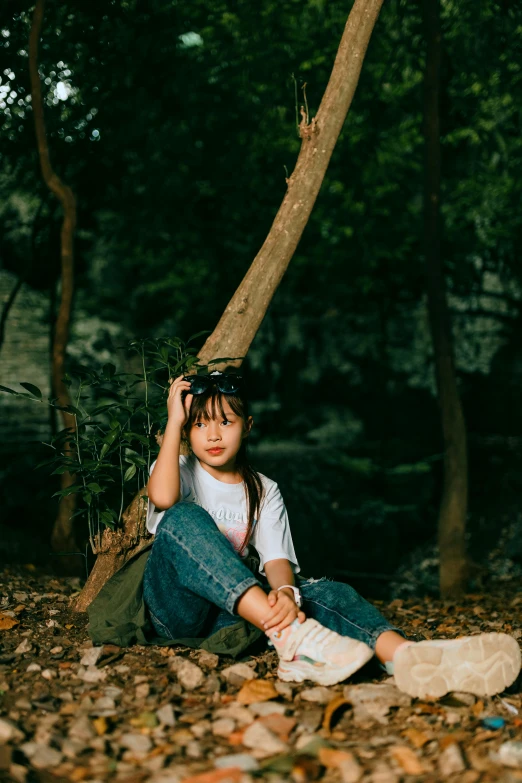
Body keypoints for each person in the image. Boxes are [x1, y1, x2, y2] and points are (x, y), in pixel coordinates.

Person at [144, 371, 521, 698]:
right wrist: (174, 421)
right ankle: (291, 636)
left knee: (326, 592)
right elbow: (162, 498)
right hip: (177, 611)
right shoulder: (177, 469)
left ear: (248, 426)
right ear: (185, 430)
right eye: (199, 424)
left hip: (234, 617)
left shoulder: (263, 488)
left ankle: (404, 656)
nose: (213, 434)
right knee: (183, 518)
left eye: (225, 422)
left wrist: (287, 594)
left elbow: (276, 559)